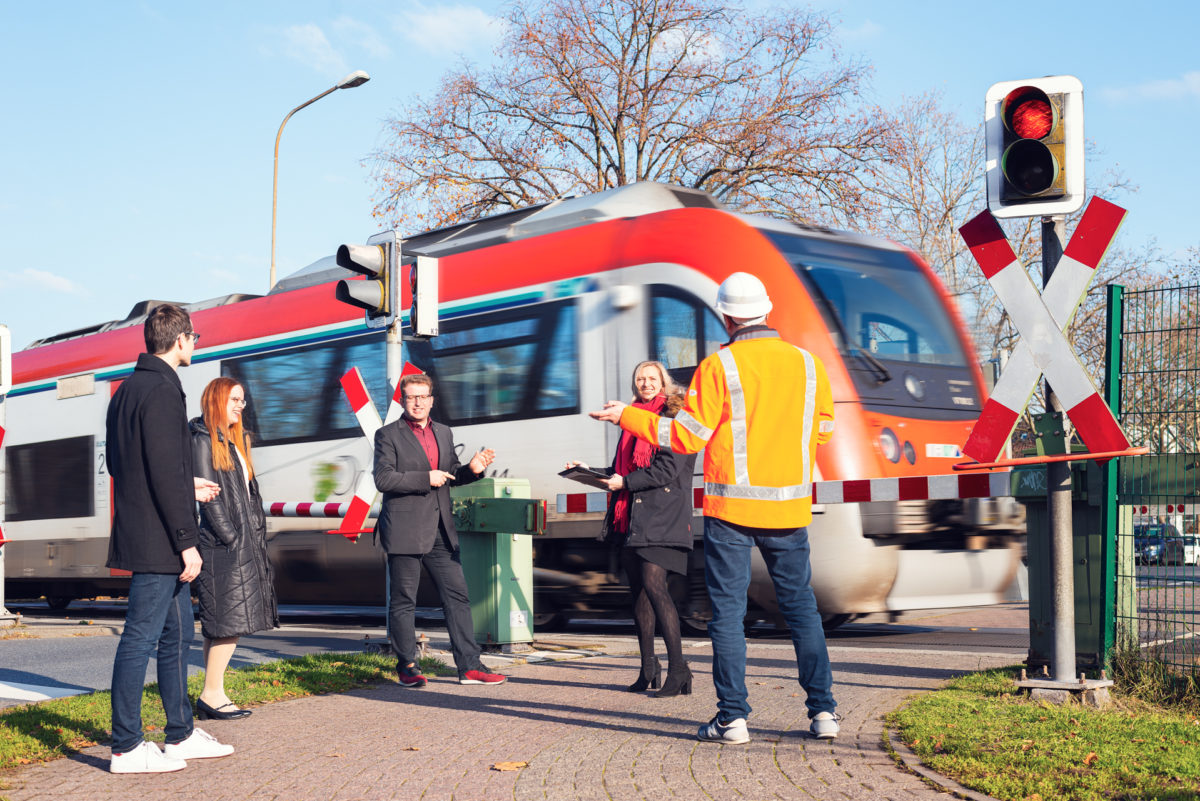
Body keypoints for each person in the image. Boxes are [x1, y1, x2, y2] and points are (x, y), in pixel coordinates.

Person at [590, 272, 839, 744]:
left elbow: (684, 435)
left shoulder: (719, 367)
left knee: (727, 614)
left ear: (726, 316)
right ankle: (823, 712)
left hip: (732, 511)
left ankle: (733, 719)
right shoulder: (808, 364)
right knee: (802, 609)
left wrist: (626, 414)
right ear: (767, 311)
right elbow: (824, 429)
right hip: (789, 509)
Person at [106, 303, 234, 773]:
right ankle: (125, 746)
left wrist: (186, 485)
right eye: (194, 337)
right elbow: (160, 468)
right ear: (180, 340)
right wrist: (187, 541)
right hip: (160, 539)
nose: (195, 344)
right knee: (140, 639)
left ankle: (178, 735)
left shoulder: (125, 391)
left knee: (177, 636)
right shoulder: (162, 389)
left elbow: (127, 466)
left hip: (147, 525)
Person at [567, 361, 697, 697]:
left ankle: (679, 669)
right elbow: (618, 471)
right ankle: (648, 668)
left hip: (662, 517)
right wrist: (586, 471)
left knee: (656, 587)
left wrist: (624, 481)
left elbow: (668, 467)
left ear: (663, 383)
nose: (646, 383)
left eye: (652, 378)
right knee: (639, 593)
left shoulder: (672, 417)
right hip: (632, 518)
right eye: (640, 378)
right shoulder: (632, 421)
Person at [373, 373, 507, 688]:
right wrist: (424, 478)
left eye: (423, 396)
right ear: (402, 401)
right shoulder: (387, 435)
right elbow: (384, 479)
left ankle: (469, 667)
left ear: (432, 400)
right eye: (411, 397)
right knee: (404, 600)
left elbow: (449, 476)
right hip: (405, 530)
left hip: (440, 531)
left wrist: (472, 471)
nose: (417, 402)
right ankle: (408, 666)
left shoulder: (444, 433)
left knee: (458, 596)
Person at [189, 377, 279, 721]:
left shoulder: (234, 440)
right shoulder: (202, 439)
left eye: (242, 400)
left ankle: (214, 691)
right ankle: (212, 694)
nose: (242, 405)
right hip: (222, 546)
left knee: (225, 622)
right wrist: (232, 537)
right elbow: (209, 497)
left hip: (237, 543)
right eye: (235, 399)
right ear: (217, 400)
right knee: (228, 621)